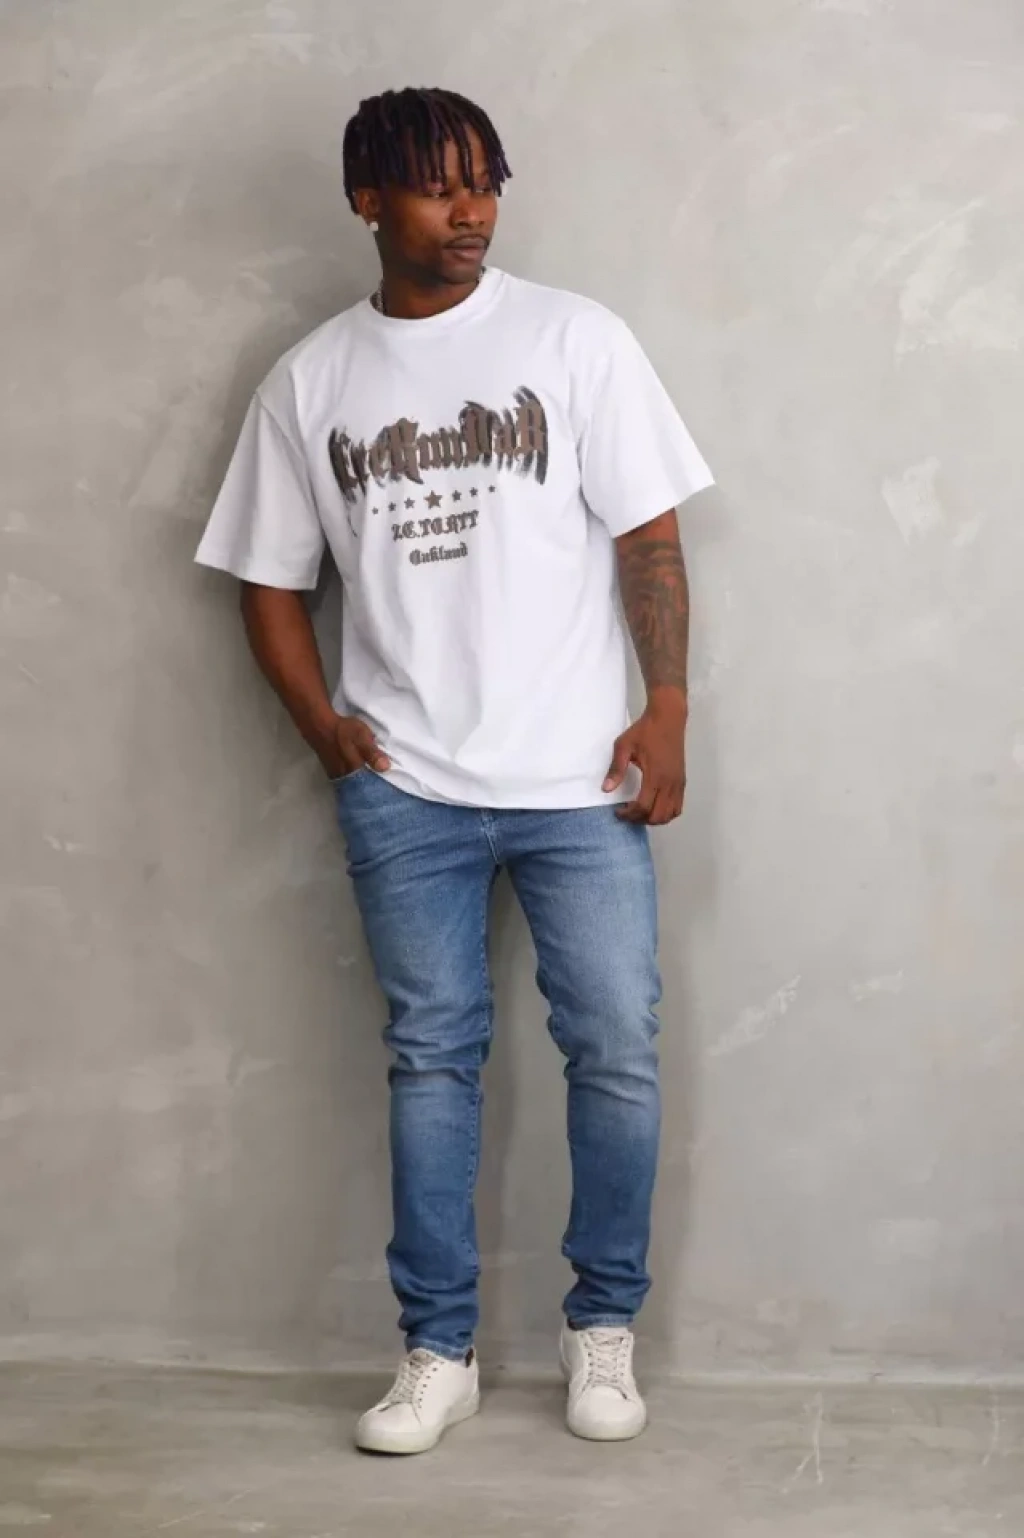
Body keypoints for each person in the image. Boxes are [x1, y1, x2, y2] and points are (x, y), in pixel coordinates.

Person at [195, 86, 712, 1454]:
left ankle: (603, 1327)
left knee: (616, 1048)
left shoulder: (575, 338)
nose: (472, 210)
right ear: (369, 199)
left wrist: (666, 708)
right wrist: (328, 734)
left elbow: (649, 538)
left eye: (486, 181)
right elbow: (265, 582)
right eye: (438, 185)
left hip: (582, 780)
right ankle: (437, 1350)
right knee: (432, 1060)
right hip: (409, 788)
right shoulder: (312, 381)